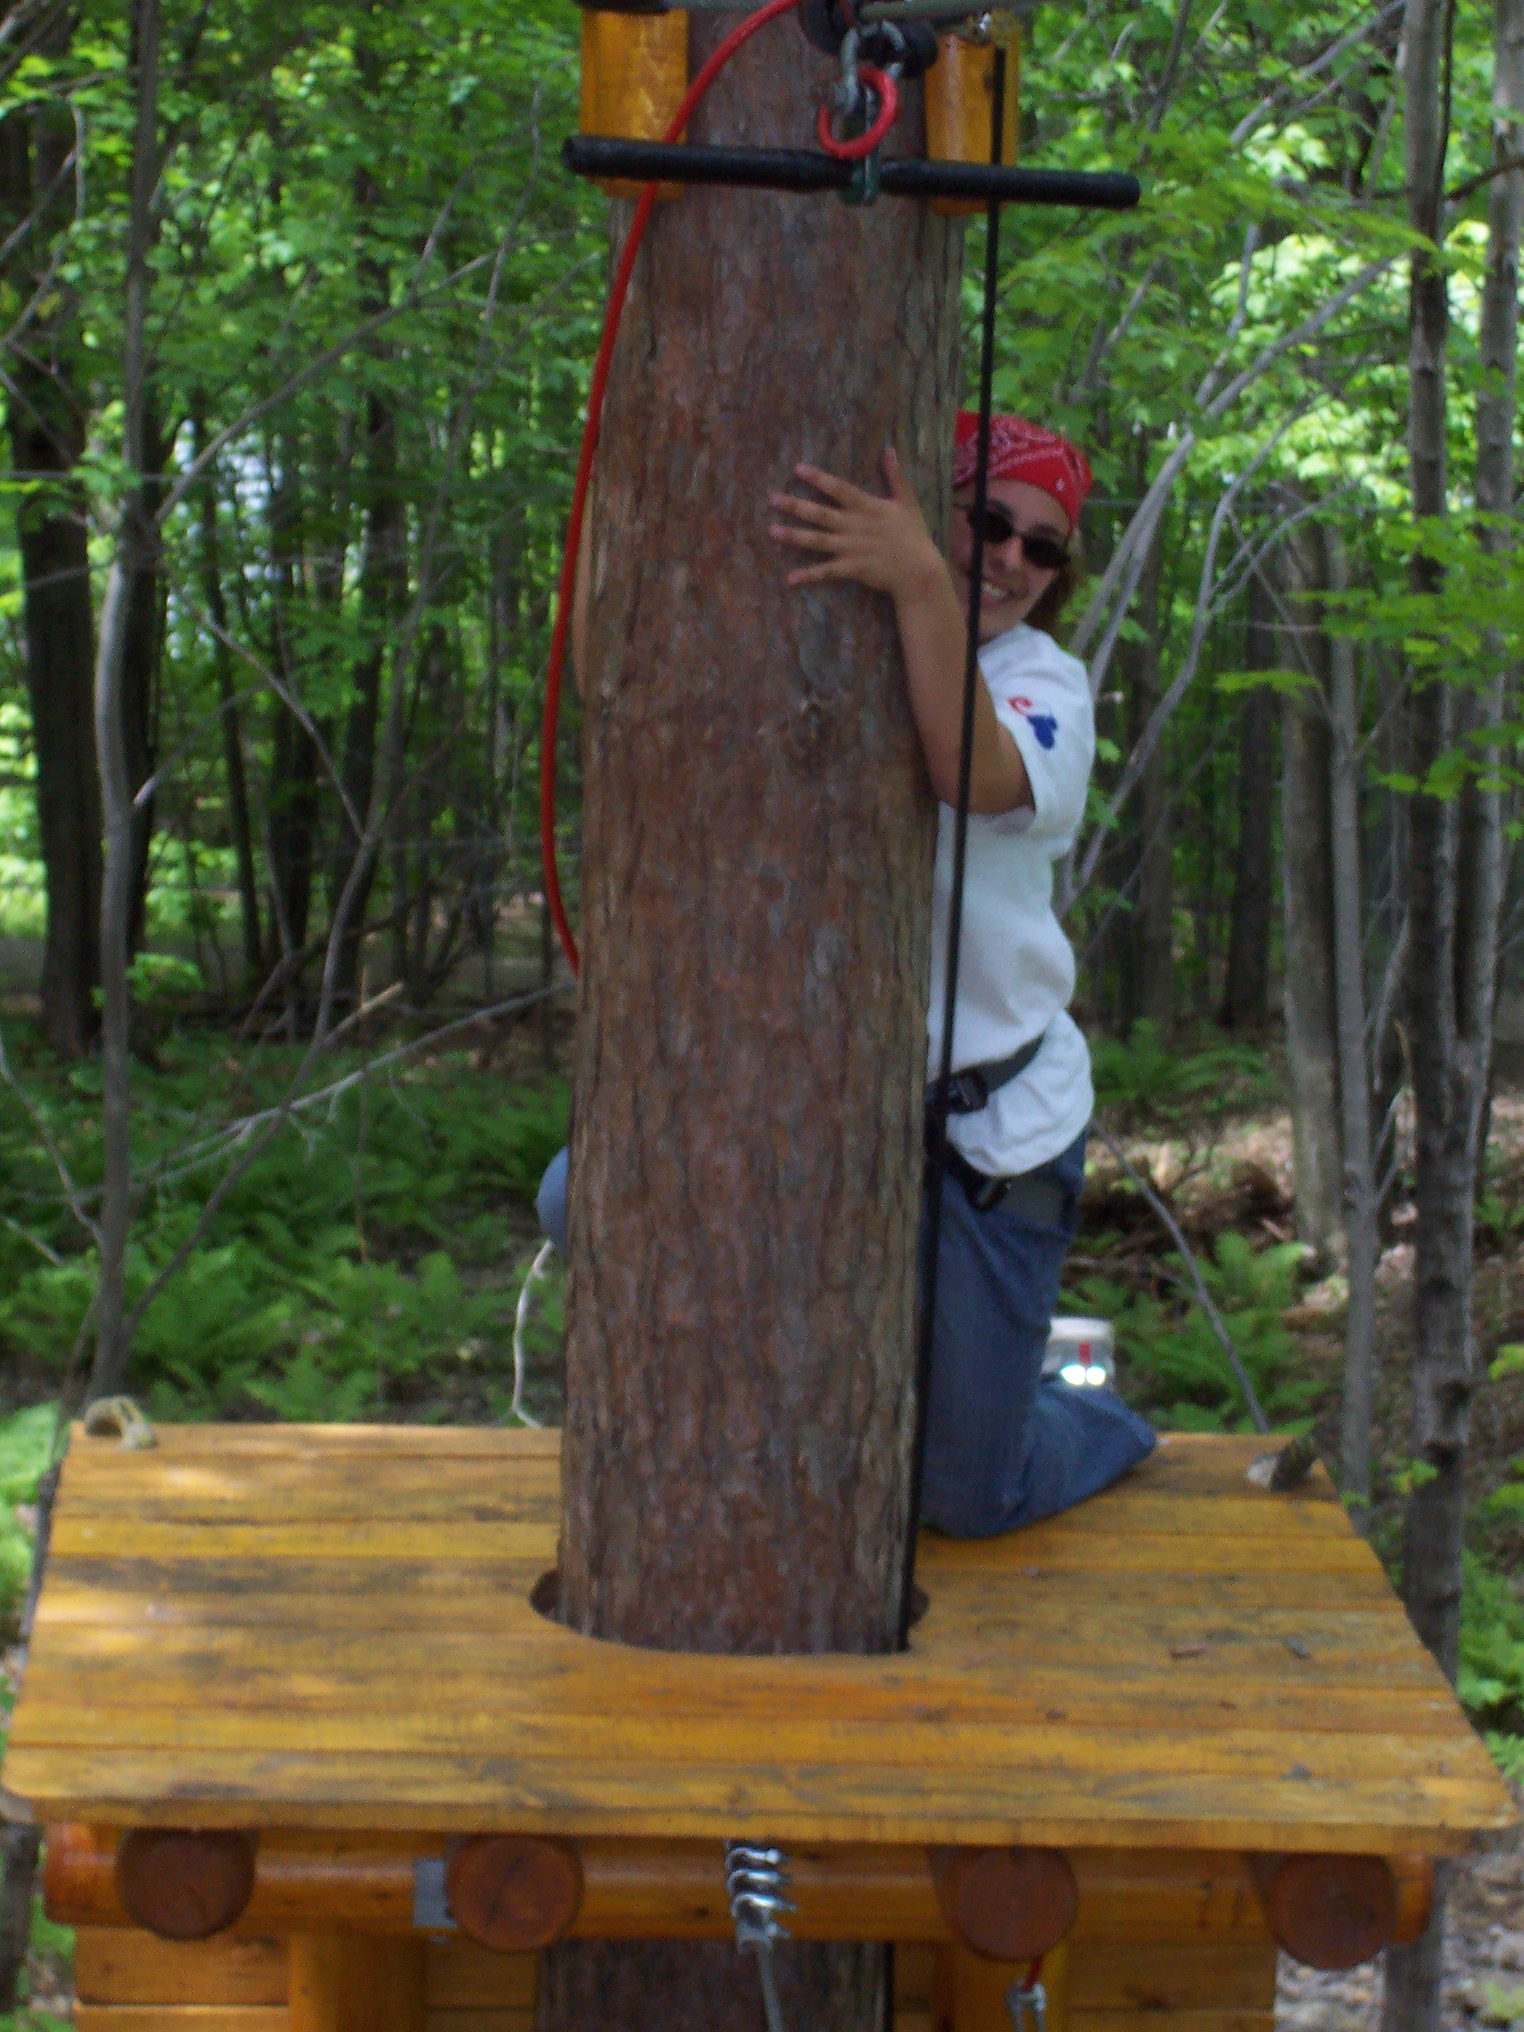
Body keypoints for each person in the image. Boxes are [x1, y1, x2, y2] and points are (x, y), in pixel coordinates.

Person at [535, 411, 1154, 1537]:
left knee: (967, 1497)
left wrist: (921, 577)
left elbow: (973, 772)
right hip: (818, 1101)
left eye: (1043, 546)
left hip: (988, 1134)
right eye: (986, 522)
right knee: (578, 1197)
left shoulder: (1042, 680)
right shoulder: (822, 633)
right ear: (928, 508)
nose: (1011, 559)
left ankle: (1086, 1409)